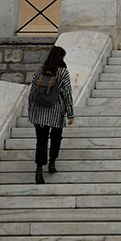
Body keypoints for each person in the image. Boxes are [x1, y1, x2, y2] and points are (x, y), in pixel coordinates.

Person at [27, 45, 75, 184]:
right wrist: (70, 114)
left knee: (41, 142)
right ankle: (52, 163)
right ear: (61, 57)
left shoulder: (40, 70)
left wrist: (31, 111)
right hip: (56, 110)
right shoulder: (63, 72)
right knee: (56, 138)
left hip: (39, 111)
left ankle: (39, 170)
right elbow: (67, 93)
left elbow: (32, 92)